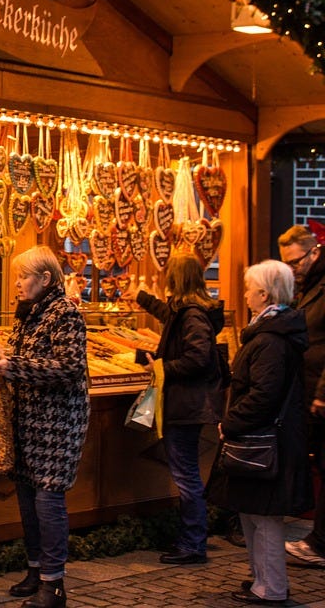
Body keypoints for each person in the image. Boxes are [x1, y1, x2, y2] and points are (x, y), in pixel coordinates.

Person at [207, 259, 313, 606]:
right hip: (262, 439)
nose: (246, 294)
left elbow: (263, 395)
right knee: (252, 512)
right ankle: (261, 580)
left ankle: (271, 587)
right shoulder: (270, 332)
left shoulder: (270, 339)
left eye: (250, 288)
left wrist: (231, 422)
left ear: (264, 294)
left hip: (266, 441)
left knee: (264, 517)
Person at [0, 245, 89, 608]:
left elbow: (68, 367)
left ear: (45, 279)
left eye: (23, 277)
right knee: (28, 501)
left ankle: (54, 585)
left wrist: (14, 366)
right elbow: (24, 358)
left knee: (48, 501)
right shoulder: (29, 314)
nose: (16, 283)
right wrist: (3, 360)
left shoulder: (65, 314)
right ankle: (35, 570)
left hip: (57, 425)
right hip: (27, 423)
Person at [135, 252, 228, 565]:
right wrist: (141, 298)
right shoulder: (189, 310)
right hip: (187, 404)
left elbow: (197, 358)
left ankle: (192, 543)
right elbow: (169, 316)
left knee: (186, 475)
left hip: (187, 405)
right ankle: (192, 539)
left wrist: (162, 367)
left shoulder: (192, 315)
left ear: (175, 279)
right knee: (186, 472)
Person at [277, 225, 325, 568]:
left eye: (295, 262)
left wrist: (323, 392)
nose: (292, 269)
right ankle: (318, 539)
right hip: (308, 388)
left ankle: (320, 543)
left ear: (315, 252)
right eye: (287, 264)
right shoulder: (307, 285)